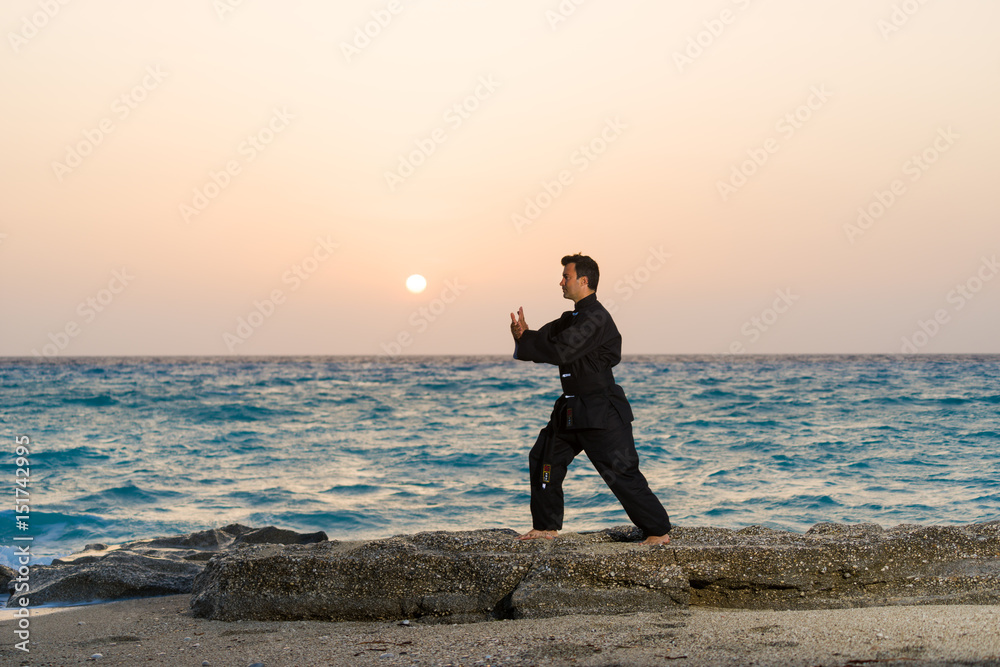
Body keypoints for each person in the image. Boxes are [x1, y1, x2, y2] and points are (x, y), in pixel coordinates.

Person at [509, 253, 672, 545]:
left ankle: (658, 531)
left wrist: (531, 341)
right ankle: (545, 527)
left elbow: (560, 350)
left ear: (584, 281)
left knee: (620, 473)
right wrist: (522, 336)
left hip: (601, 411)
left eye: (566, 276)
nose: (561, 282)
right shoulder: (570, 318)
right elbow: (544, 342)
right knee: (545, 459)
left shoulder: (595, 318)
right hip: (571, 410)